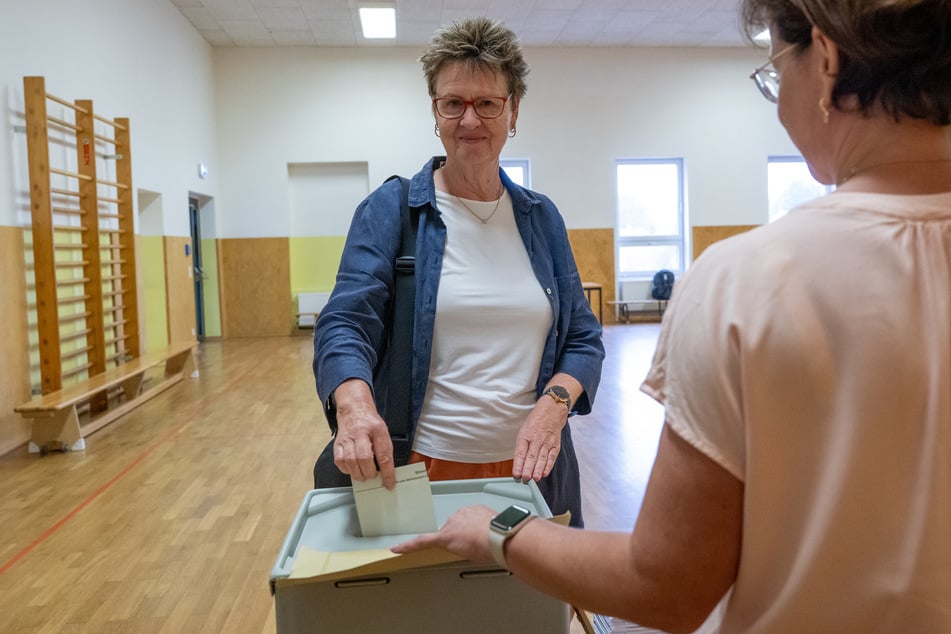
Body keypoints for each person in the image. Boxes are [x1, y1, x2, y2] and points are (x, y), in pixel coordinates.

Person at [394, 1, 951, 631]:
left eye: (773, 69)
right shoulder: (397, 211)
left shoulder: (746, 283)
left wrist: (499, 533)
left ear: (823, 59)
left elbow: (668, 583)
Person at [313, 17, 604, 527]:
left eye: (488, 103)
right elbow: (345, 323)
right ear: (435, 112)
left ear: (513, 110)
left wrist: (555, 406)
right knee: (431, 605)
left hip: (533, 470)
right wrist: (355, 404)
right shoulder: (393, 210)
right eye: (454, 103)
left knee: (529, 606)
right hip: (418, 470)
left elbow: (583, 338)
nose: (470, 120)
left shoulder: (541, 218)